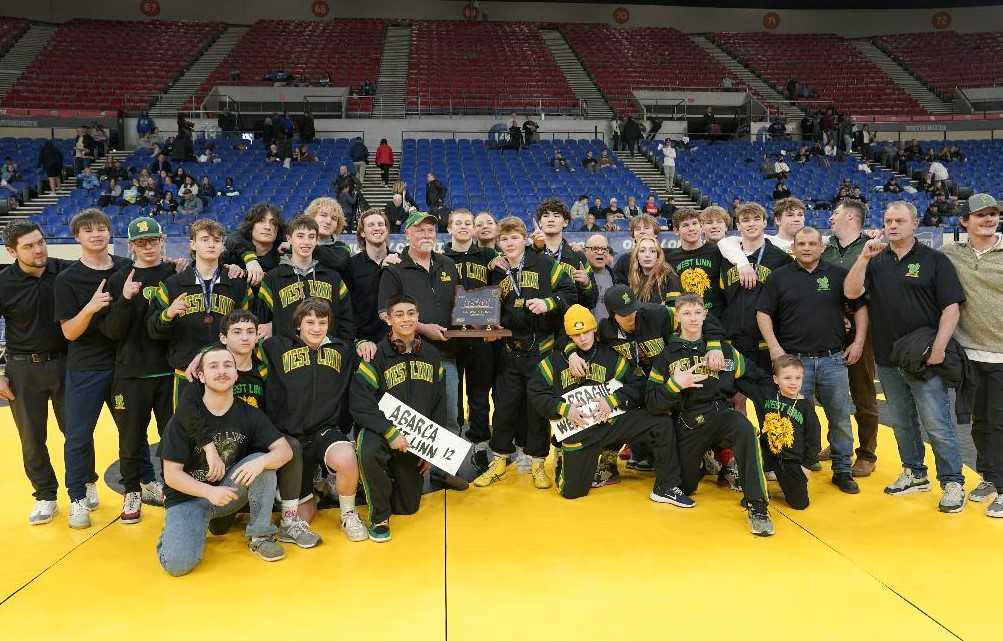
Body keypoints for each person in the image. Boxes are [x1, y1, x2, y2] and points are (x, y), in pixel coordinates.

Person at [844, 201, 967, 513]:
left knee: (936, 423)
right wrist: (862, 257)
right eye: (888, 220)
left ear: (914, 224)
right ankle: (914, 473)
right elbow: (851, 292)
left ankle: (953, 481)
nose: (893, 225)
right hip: (887, 357)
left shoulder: (935, 260)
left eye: (900, 220)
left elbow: (952, 307)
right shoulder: (876, 260)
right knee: (902, 422)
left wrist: (939, 348)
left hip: (925, 356)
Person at [529, 304, 689, 504]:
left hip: (610, 424)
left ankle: (666, 486)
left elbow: (639, 385)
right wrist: (564, 408)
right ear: (569, 336)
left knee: (660, 422)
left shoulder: (611, 356)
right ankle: (565, 458)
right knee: (572, 492)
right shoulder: (554, 361)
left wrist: (612, 400)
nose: (583, 338)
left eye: (586, 331)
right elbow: (535, 392)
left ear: (594, 329)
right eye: (577, 334)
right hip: (580, 430)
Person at [156, 346, 292, 576]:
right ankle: (176, 529)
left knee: (262, 462)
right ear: (201, 376)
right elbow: (171, 475)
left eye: (228, 365)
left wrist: (261, 463)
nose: (222, 371)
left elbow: (285, 451)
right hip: (189, 499)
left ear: (236, 373)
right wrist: (209, 492)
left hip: (228, 494)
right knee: (177, 566)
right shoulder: (184, 419)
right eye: (213, 366)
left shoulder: (250, 414)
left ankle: (260, 535)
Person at [646, 294, 775, 536]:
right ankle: (704, 461)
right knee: (686, 486)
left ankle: (757, 506)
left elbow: (757, 377)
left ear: (705, 315)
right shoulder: (666, 357)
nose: (693, 318)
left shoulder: (723, 350)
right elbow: (652, 403)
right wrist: (675, 385)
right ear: (677, 317)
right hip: (688, 424)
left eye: (697, 312)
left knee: (744, 428)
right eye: (687, 313)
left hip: (720, 414)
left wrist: (776, 402)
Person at [756, 227, 866, 494]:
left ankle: (842, 470)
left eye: (812, 243)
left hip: (832, 359)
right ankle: (795, 466)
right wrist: (774, 348)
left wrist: (859, 341)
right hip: (795, 363)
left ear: (821, 247)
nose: (806, 248)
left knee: (839, 417)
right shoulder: (779, 278)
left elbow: (860, 308)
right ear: (793, 247)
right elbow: (762, 313)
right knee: (793, 419)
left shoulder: (837, 275)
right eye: (801, 243)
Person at [473, 216, 576, 489]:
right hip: (509, 350)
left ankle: (538, 464)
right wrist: (489, 320)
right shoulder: (496, 269)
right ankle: (498, 464)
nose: (509, 243)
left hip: (540, 351)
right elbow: (488, 303)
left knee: (536, 411)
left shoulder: (544, 264)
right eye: (504, 239)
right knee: (504, 409)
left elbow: (570, 292)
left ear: (525, 239)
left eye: (514, 237)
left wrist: (548, 302)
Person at [259, 298, 367, 543]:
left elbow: (368, 359)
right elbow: (237, 350)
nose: (316, 328)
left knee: (347, 457)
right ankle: (310, 485)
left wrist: (364, 342)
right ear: (298, 324)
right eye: (310, 322)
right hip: (290, 437)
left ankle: (348, 514)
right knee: (305, 516)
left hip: (324, 431)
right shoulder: (276, 347)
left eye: (322, 322)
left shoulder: (342, 350)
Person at [54, 210, 132, 528]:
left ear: (110, 233)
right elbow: (69, 332)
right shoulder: (67, 279)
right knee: (78, 436)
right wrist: (90, 308)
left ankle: (136, 488)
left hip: (124, 365)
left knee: (131, 432)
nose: (96, 234)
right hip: (86, 368)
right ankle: (78, 496)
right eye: (88, 230)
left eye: (101, 228)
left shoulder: (127, 268)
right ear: (77, 238)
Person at [351, 294, 447, 542]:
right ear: (388, 319)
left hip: (414, 437)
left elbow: (439, 404)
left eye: (411, 313)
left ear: (418, 317)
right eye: (399, 314)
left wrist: (431, 449)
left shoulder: (433, 356)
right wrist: (390, 432)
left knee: (407, 507)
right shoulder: (376, 356)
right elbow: (360, 403)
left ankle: (382, 483)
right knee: (368, 448)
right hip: (382, 432)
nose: (406, 319)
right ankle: (378, 516)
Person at [100, 218, 175, 523]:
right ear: (131, 245)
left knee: (172, 436)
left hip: (169, 369)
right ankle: (133, 490)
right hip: (130, 371)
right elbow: (111, 331)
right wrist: (126, 299)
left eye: (153, 241)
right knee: (131, 438)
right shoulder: (119, 279)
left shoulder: (175, 273)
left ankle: (173, 487)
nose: (148, 247)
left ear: (163, 241)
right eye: (141, 242)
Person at [377, 213, 466, 469]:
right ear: (407, 234)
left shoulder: (447, 264)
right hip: (406, 356)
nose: (426, 235)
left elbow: (460, 305)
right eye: (420, 230)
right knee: (412, 416)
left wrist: (476, 320)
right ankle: (405, 470)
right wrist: (423, 328)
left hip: (446, 353)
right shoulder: (394, 268)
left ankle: (445, 471)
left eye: (430, 230)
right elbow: (385, 313)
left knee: (449, 413)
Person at [0, 222, 72, 525]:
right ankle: (45, 495)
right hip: (21, 368)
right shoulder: (3, 283)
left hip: (67, 363)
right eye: (29, 246)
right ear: (11, 251)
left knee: (76, 432)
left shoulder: (66, 271)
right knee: (31, 438)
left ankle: (84, 485)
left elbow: (109, 266)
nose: (38, 249)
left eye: (41, 242)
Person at [942, 194, 1003, 516]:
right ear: (965, 221)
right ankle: (990, 477)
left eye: (993, 214)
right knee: (979, 423)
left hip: (1002, 354)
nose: (989, 220)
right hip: (970, 354)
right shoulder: (952, 253)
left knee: (999, 422)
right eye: (981, 215)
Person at [149, 219, 252, 407]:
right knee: (187, 432)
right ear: (193, 244)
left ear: (223, 245)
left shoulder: (237, 284)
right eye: (204, 239)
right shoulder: (173, 284)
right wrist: (168, 314)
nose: (211, 244)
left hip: (225, 372)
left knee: (226, 431)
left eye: (216, 240)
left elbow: (246, 330)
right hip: (186, 373)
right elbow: (153, 330)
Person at [822, 199, 879, 476]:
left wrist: (858, 330)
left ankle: (867, 453)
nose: (830, 218)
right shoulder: (825, 247)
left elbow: (873, 295)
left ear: (852, 217)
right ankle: (837, 443)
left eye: (835, 213)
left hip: (861, 329)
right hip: (829, 328)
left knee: (863, 392)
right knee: (830, 393)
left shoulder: (873, 248)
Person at [257, 215, 361, 349]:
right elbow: (261, 320)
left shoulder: (333, 277)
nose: (306, 242)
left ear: (317, 240)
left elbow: (347, 320)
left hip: (328, 356)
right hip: (288, 359)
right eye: (300, 236)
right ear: (289, 239)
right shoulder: (273, 278)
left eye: (311, 236)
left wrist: (342, 349)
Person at [735, 355, 821, 510]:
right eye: (787, 378)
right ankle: (755, 493)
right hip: (767, 452)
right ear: (776, 379)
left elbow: (814, 440)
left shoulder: (805, 407)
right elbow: (741, 384)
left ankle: (783, 479)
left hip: (791, 460)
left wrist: (807, 466)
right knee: (753, 455)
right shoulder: (767, 395)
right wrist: (727, 370)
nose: (793, 382)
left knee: (800, 504)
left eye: (797, 378)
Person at [443, 209, 497, 453]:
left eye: (468, 223)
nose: (463, 227)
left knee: (479, 391)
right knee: (452, 392)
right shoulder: (440, 255)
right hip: (450, 335)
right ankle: (452, 440)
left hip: (480, 336)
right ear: (449, 228)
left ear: (474, 229)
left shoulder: (487, 255)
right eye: (458, 223)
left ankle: (480, 440)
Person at [720, 203, 793, 376]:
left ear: (764, 223)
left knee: (766, 394)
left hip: (765, 340)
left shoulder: (781, 258)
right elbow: (721, 297)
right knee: (733, 395)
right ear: (738, 226)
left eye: (756, 219)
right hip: (733, 338)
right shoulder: (726, 258)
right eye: (745, 220)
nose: (751, 224)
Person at [529, 198, 597, 309]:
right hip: (536, 320)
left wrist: (586, 284)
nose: (551, 219)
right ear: (540, 222)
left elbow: (592, 302)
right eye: (546, 216)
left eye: (556, 216)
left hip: (569, 323)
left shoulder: (578, 256)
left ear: (565, 222)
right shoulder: (528, 255)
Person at [666, 209, 725, 316]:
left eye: (694, 223)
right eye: (685, 225)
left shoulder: (717, 251)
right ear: (675, 230)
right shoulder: (670, 258)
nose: (691, 228)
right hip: (688, 319)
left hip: (717, 318)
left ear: (701, 226)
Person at [351, 208, 394, 346]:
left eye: (381, 224)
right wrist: (358, 341)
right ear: (362, 233)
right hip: (363, 343)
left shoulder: (400, 261)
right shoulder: (351, 265)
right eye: (371, 225)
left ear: (386, 230)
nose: (377, 228)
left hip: (396, 340)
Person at [224, 203, 285, 287]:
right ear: (251, 225)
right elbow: (232, 238)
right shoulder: (233, 252)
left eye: (273, 223)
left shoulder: (284, 256)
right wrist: (250, 260)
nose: (267, 227)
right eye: (261, 221)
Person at [627, 237, 681, 305]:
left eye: (652, 251)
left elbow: (674, 309)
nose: (647, 255)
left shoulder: (669, 279)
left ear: (658, 256)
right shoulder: (635, 278)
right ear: (637, 256)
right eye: (642, 251)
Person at [584, 234, 614, 321]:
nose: (600, 252)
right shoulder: (577, 277)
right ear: (585, 251)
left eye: (604, 249)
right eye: (595, 249)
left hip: (610, 331)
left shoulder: (616, 277)